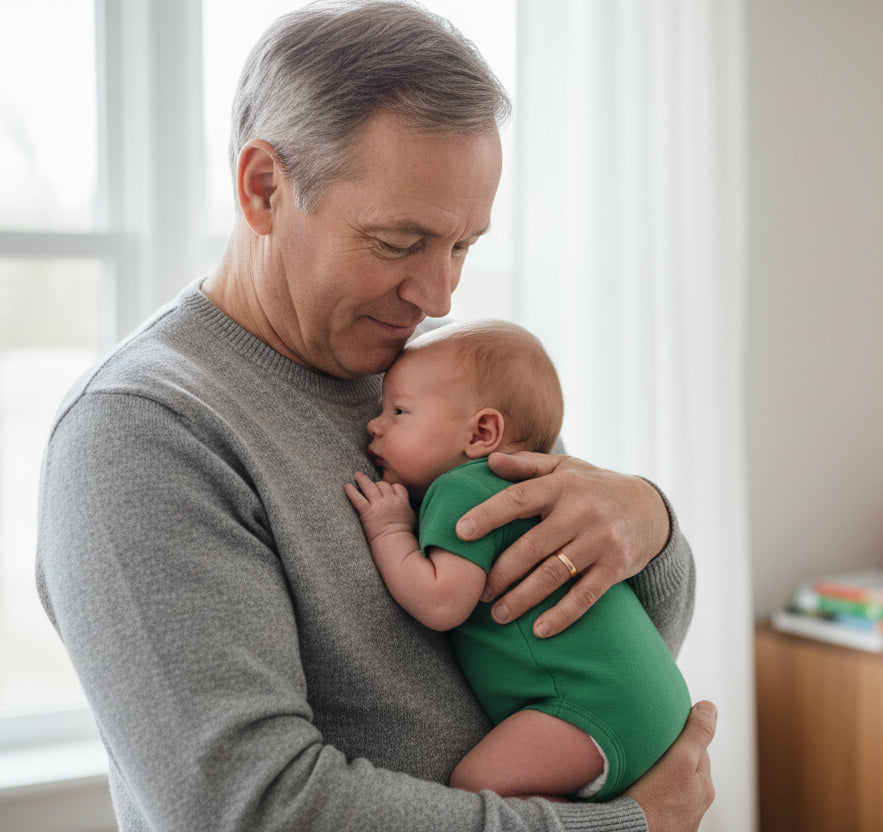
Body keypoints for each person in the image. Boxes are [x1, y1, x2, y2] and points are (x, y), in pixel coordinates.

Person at [34, 2, 714, 831]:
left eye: (463, 246)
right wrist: (628, 827)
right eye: (399, 242)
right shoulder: (140, 437)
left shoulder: (432, 373)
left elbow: (612, 643)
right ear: (263, 189)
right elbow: (250, 811)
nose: (439, 297)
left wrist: (648, 516)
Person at [345, 319, 692, 802]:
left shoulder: (461, 487)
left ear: (483, 431)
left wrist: (388, 529)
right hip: (656, 699)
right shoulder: (537, 484)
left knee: (474, 787)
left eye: (399, 411)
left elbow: (442, 602)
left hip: (589, 710)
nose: (374, 424)